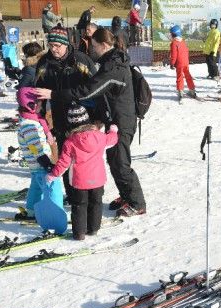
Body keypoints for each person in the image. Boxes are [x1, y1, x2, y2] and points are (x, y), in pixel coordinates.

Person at [34, 28, 146, 218]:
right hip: (112, 120)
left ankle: (137, 203)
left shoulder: (113, 68)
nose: (92, 50)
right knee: (113, 160)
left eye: (94, 46)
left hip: (121, 121)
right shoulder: (110, 62)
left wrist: (54, 95)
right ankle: (125, 195)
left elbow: (89, 90)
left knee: (120, 163)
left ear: (103, 45)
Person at [34, 24, 97, 201]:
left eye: (57, 46)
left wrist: (98, 117)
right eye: (51, 45)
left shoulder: (81, 60)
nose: (54, 49)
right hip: (59, 116)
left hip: (83, 117)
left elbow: (95, 87)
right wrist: (38, 107)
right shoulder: (44, 63)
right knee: (64, 156)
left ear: (66, 44)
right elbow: (38, 89)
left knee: (85, 157)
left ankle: (90, 191)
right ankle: (72, 194)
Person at [47, 104, 119, 240]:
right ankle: (93, 229)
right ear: (87, 120)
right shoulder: (99, 136)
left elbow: (64, 162)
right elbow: (112, 140)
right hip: (97, 179)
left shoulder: (70, 142)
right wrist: (113, 131)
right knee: (96, 204)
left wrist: (53, 175)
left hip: (79, 181)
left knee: (79, 206)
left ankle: (79, 233)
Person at [15, 87, 62, 221]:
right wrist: (46, 164)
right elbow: (35, 147)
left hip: (37, 165)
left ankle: (32, 211)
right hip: (41, 164)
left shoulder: (30, 121)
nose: (41, 106)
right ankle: (55, 214)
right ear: (31, 105)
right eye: (39, 103)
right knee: (53, 188)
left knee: (36, 189)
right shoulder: (29, 125)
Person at [169, 25, 196, 101]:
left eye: (171, 34)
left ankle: (180, 92)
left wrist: (172, 63)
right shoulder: (183, 42)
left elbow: (174, 55)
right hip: (186, 62)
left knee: (180, 77)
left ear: (173, 34)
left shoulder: (174, 43)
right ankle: (192, 91)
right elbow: (186, 52)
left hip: (179, 63)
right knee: (188, 76)